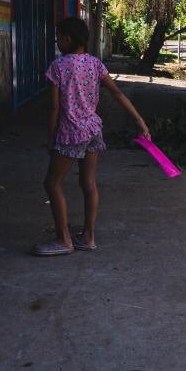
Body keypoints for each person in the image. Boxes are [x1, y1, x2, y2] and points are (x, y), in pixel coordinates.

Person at [34, 16, 149, 257]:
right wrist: (140, 121)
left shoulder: (58, 67)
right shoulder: (95, 64)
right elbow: (117, 93)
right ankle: (89, 236)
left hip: (71, 132)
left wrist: (51, 138)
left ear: (67, 39)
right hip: (93, 130)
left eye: (58, 36)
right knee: (89, 183)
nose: (56, 40)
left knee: (52, 183)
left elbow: (54, 109)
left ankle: (64, 239)